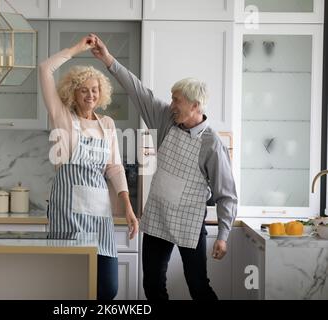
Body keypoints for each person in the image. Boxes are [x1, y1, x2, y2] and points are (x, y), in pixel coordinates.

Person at [91, 34, 237, 300]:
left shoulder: (212, 144)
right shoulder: (167, 119)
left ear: (195, 105)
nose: (171, 105)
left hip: (190, 222)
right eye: (171, 99)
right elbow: (138, 90)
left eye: (176, 100)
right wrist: (108, 59)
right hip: (158, 217)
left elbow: (227, 193)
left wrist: (224, 235)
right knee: (153, 285)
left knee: (198, 286)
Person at [39, 35, 139, 300]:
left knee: (107, 289)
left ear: (101, 92)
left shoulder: (106, 124)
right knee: (69, 289)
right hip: (66, 215)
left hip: (99, 216)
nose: (90, 94)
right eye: (83, 89)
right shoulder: (62, 118)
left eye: (94, 89)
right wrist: (77, 49)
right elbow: (44, 69)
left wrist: (127, 207)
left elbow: (114, 169)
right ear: (73, 92)